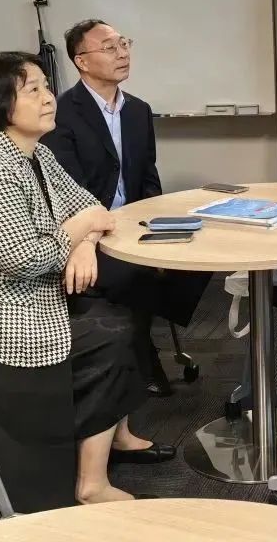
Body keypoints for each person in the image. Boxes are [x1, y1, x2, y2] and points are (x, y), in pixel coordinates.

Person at [0, 51, 173, 514]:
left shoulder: (36, 154)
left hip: (29, 296)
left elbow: (90, 206)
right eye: (33, 90)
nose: (48, 97)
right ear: (1, 106)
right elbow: (26, 258)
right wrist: (79, 230)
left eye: (46, 86)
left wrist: (83, 243)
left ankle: (100, 461)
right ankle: (91, 482)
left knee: (124, 313)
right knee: (113, 333)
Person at [43, 20, 210, 397]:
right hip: (86, 230)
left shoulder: (138, 110)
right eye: (109, 47)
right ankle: (138, 354)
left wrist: (154, 222)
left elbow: (148, 175)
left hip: (134, 223)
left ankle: (139, 337)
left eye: (124, 44)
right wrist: (97, 234)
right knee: (132, 274)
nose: (122, 53)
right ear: (82, 61)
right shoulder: (62, 113)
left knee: (198, 256)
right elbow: (70, 191)